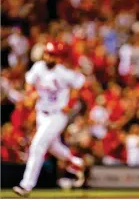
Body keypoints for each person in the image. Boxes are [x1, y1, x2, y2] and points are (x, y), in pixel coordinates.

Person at [13, 41, 86, 197]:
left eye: (52, 55)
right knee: (53, 147)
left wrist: (71, 103)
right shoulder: (38, 67)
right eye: (47, 53)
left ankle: (26, 185)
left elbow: (80, 84)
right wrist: (31, 92)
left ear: (58, 58)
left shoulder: (63, 73)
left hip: (57, 115)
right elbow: (29, 82)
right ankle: (76, 163)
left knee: (37, 146)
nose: (48, 56)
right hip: (41, 114)